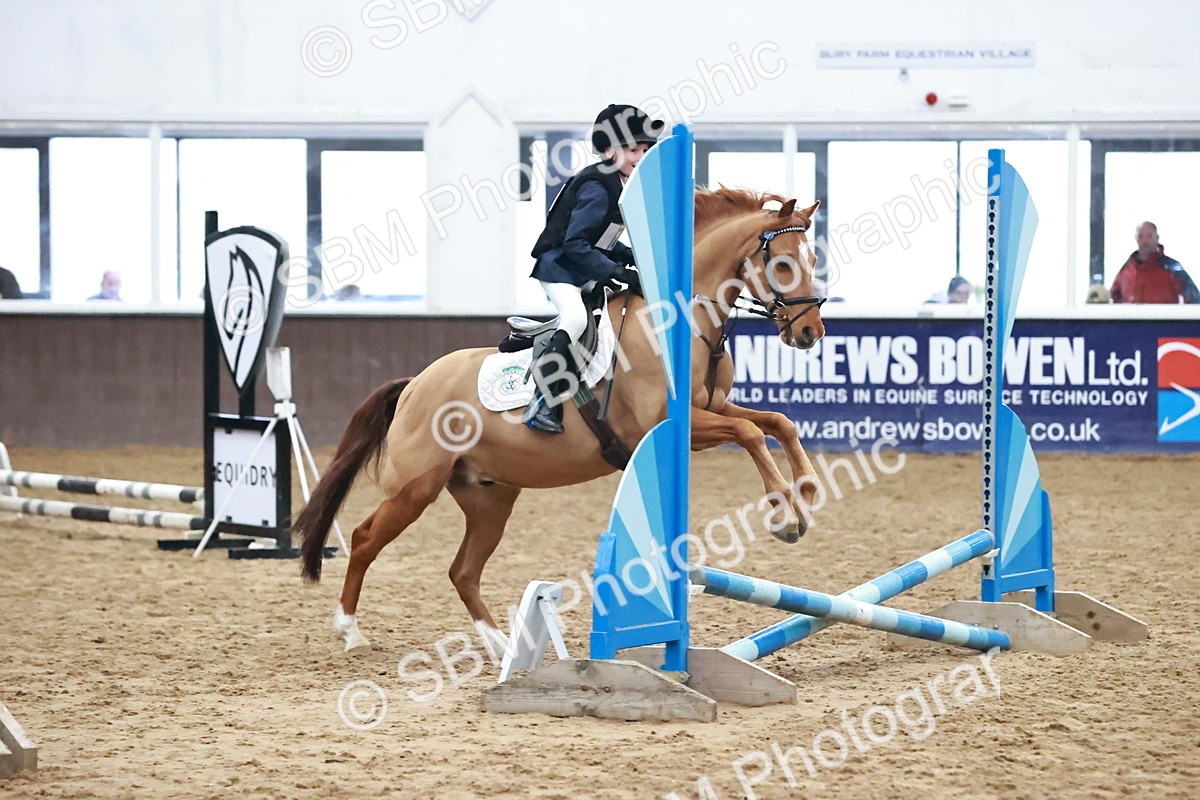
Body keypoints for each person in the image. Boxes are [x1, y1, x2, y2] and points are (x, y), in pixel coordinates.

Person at [522, 104, 662, 434]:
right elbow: (576, 244)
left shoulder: (617, 184)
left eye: (644, 150)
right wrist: (617, 272)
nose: (640, 157)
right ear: (610, 150)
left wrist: (632, 258)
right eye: (632, 150)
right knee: (575, 319)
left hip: (581, 267)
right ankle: (542, 399)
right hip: (560, 269)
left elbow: (605, 240)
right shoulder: (598, 187)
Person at [1110, 222, 1198, 304]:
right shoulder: (1126, 269)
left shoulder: (1172, 267)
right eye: (1141, 236)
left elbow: (1194, 299)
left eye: (1149, 236)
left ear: (1157, 238)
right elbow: (1114, 299)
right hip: (1133, 320)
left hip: (1164, 320)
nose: (1145, 241)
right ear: (1136, 239)